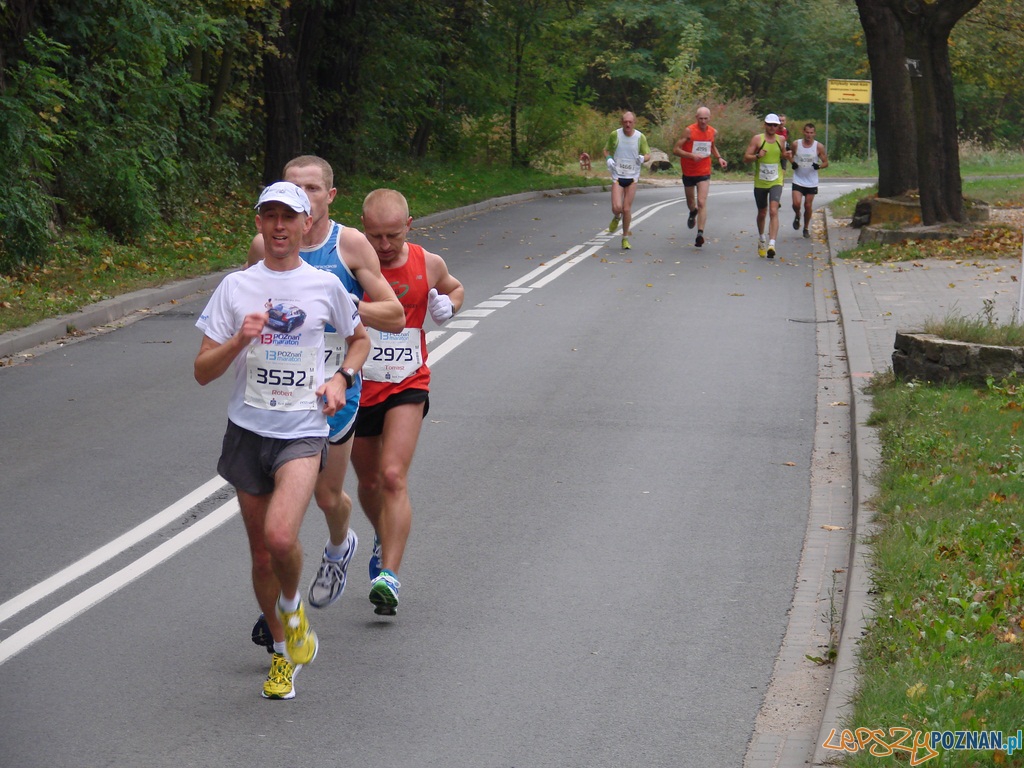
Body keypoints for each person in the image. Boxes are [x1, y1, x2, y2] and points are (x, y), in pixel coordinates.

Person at [194, 181, 370, 699]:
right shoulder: (235, 287)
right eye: (269, 216)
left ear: (305, 224)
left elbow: (359, 339)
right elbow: (202, 371)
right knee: (259, 556)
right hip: (248, 432)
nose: (278, 226)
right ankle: (281, 653)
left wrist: (341, 378)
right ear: (259, 224)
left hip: (302, 432)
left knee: (278, 538)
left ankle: (291, 610)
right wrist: (239, 339)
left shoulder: (324, 286)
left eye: (288, 217)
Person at [244, 157, 403, 650]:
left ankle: (340, 545)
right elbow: (247, 306)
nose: (304, 197)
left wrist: (336, 304)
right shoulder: (261, 246)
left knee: (326, 496)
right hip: (276, 394)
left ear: (329, 196)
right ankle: (274, 616)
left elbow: (394, 315)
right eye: (294, 188)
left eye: (313, 188)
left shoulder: (349, 244)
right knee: (271, 520)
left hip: (336, 388)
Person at [352, 188, 464, 616]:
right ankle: (383, 533)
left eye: (392, 236)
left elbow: (455, 288)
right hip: (360, 386)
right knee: (368, 484)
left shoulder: (427, 263)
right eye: (375, 236)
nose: (383, 246)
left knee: (393, 475)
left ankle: (389, 575)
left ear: (409, 226)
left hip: (407, 382)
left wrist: (447, 305)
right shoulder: (353, 267)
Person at [672, 106, 728, 248]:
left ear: (709, 118)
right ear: (696, 118)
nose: (703, 121)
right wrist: (691, 155)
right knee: (691, 202)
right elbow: (676, 149)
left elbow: (712, 146)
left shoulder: (712, 131)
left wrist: (719, 158)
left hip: (704, 171)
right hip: (689, 172)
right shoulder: (689, 131)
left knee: (702, 202)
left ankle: (700, 234)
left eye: (706, 119)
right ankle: (692, 212)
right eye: (700, 118)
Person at [743, 113, 792, 259]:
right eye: (769, 124)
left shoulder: (781, 139)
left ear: (778, 126)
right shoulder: (758, 139)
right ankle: (762, 238)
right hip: (760, 182)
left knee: (773, 210)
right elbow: (746, 158)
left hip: (776, 180)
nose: (772, 127)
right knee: (762, 213)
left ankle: (772, 244)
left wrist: (787, 155)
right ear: (765, 125)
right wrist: (757, 156)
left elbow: (782, 155)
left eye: (775, 125)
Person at [603, 111, 649, 251]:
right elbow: (606, 150)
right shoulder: (615, 135)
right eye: (625, 122)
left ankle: (625, 238)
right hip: (618, 176)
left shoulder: (640, 137)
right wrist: (609, 159)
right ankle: (616, 217)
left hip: (632, 177)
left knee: (627, 208)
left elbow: (647, 154)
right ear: (621, 122)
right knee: (617, 207)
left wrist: (642, 158)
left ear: (634, 123)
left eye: (630, 122)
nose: (628, 124)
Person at [790, 123, 829, 239]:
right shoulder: (796, 144)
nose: (809, 135)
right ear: (803, 132)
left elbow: (826, 162)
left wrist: (819, 166)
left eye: (811, 133)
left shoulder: (818, 146)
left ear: (814, 133)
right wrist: (793, 163)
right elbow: (789, 155)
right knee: (796, 204)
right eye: (807, 132)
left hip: (811, 181)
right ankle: (797, 215)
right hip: (798, 179)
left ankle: (806, 227)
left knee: (807, 205)